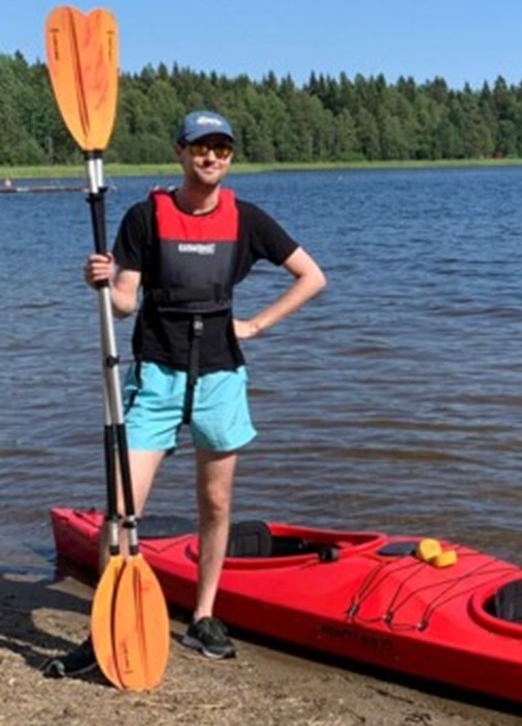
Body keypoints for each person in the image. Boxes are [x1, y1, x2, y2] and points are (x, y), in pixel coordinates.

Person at [45, 110, 326, 677]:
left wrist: (257, 325)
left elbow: (312, 276)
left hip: (221, 376)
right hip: (157, 374)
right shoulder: (146, 217)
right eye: (201, 148)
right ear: (180, 152)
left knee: (216, 504)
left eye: (221, 149)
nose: (211, 158)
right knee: (123, 513)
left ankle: (202, 617)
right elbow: (126, 302)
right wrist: (100, 282)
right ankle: (108, 629)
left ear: (230, 158)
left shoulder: (247, 219)